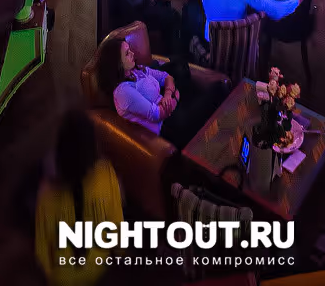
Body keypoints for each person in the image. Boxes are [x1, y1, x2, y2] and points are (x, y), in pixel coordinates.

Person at [35, 110, 122, 285]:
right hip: (99, 268)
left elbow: (42, 255)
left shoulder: (47, 192)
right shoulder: (106, 174)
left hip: (62, 280)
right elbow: (117, 230)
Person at [97, 36, 226, 150]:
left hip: (170, 107)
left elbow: (166, 76)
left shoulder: (136, 71)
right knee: (218, 89)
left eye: (129, 49)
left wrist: (168, 95)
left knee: (182, 67)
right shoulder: (123, 91)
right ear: (117, 63)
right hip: (168, 126)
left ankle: (216, 138)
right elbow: (156, 114)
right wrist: (176, 95)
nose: (132, 53)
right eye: (127, 53)